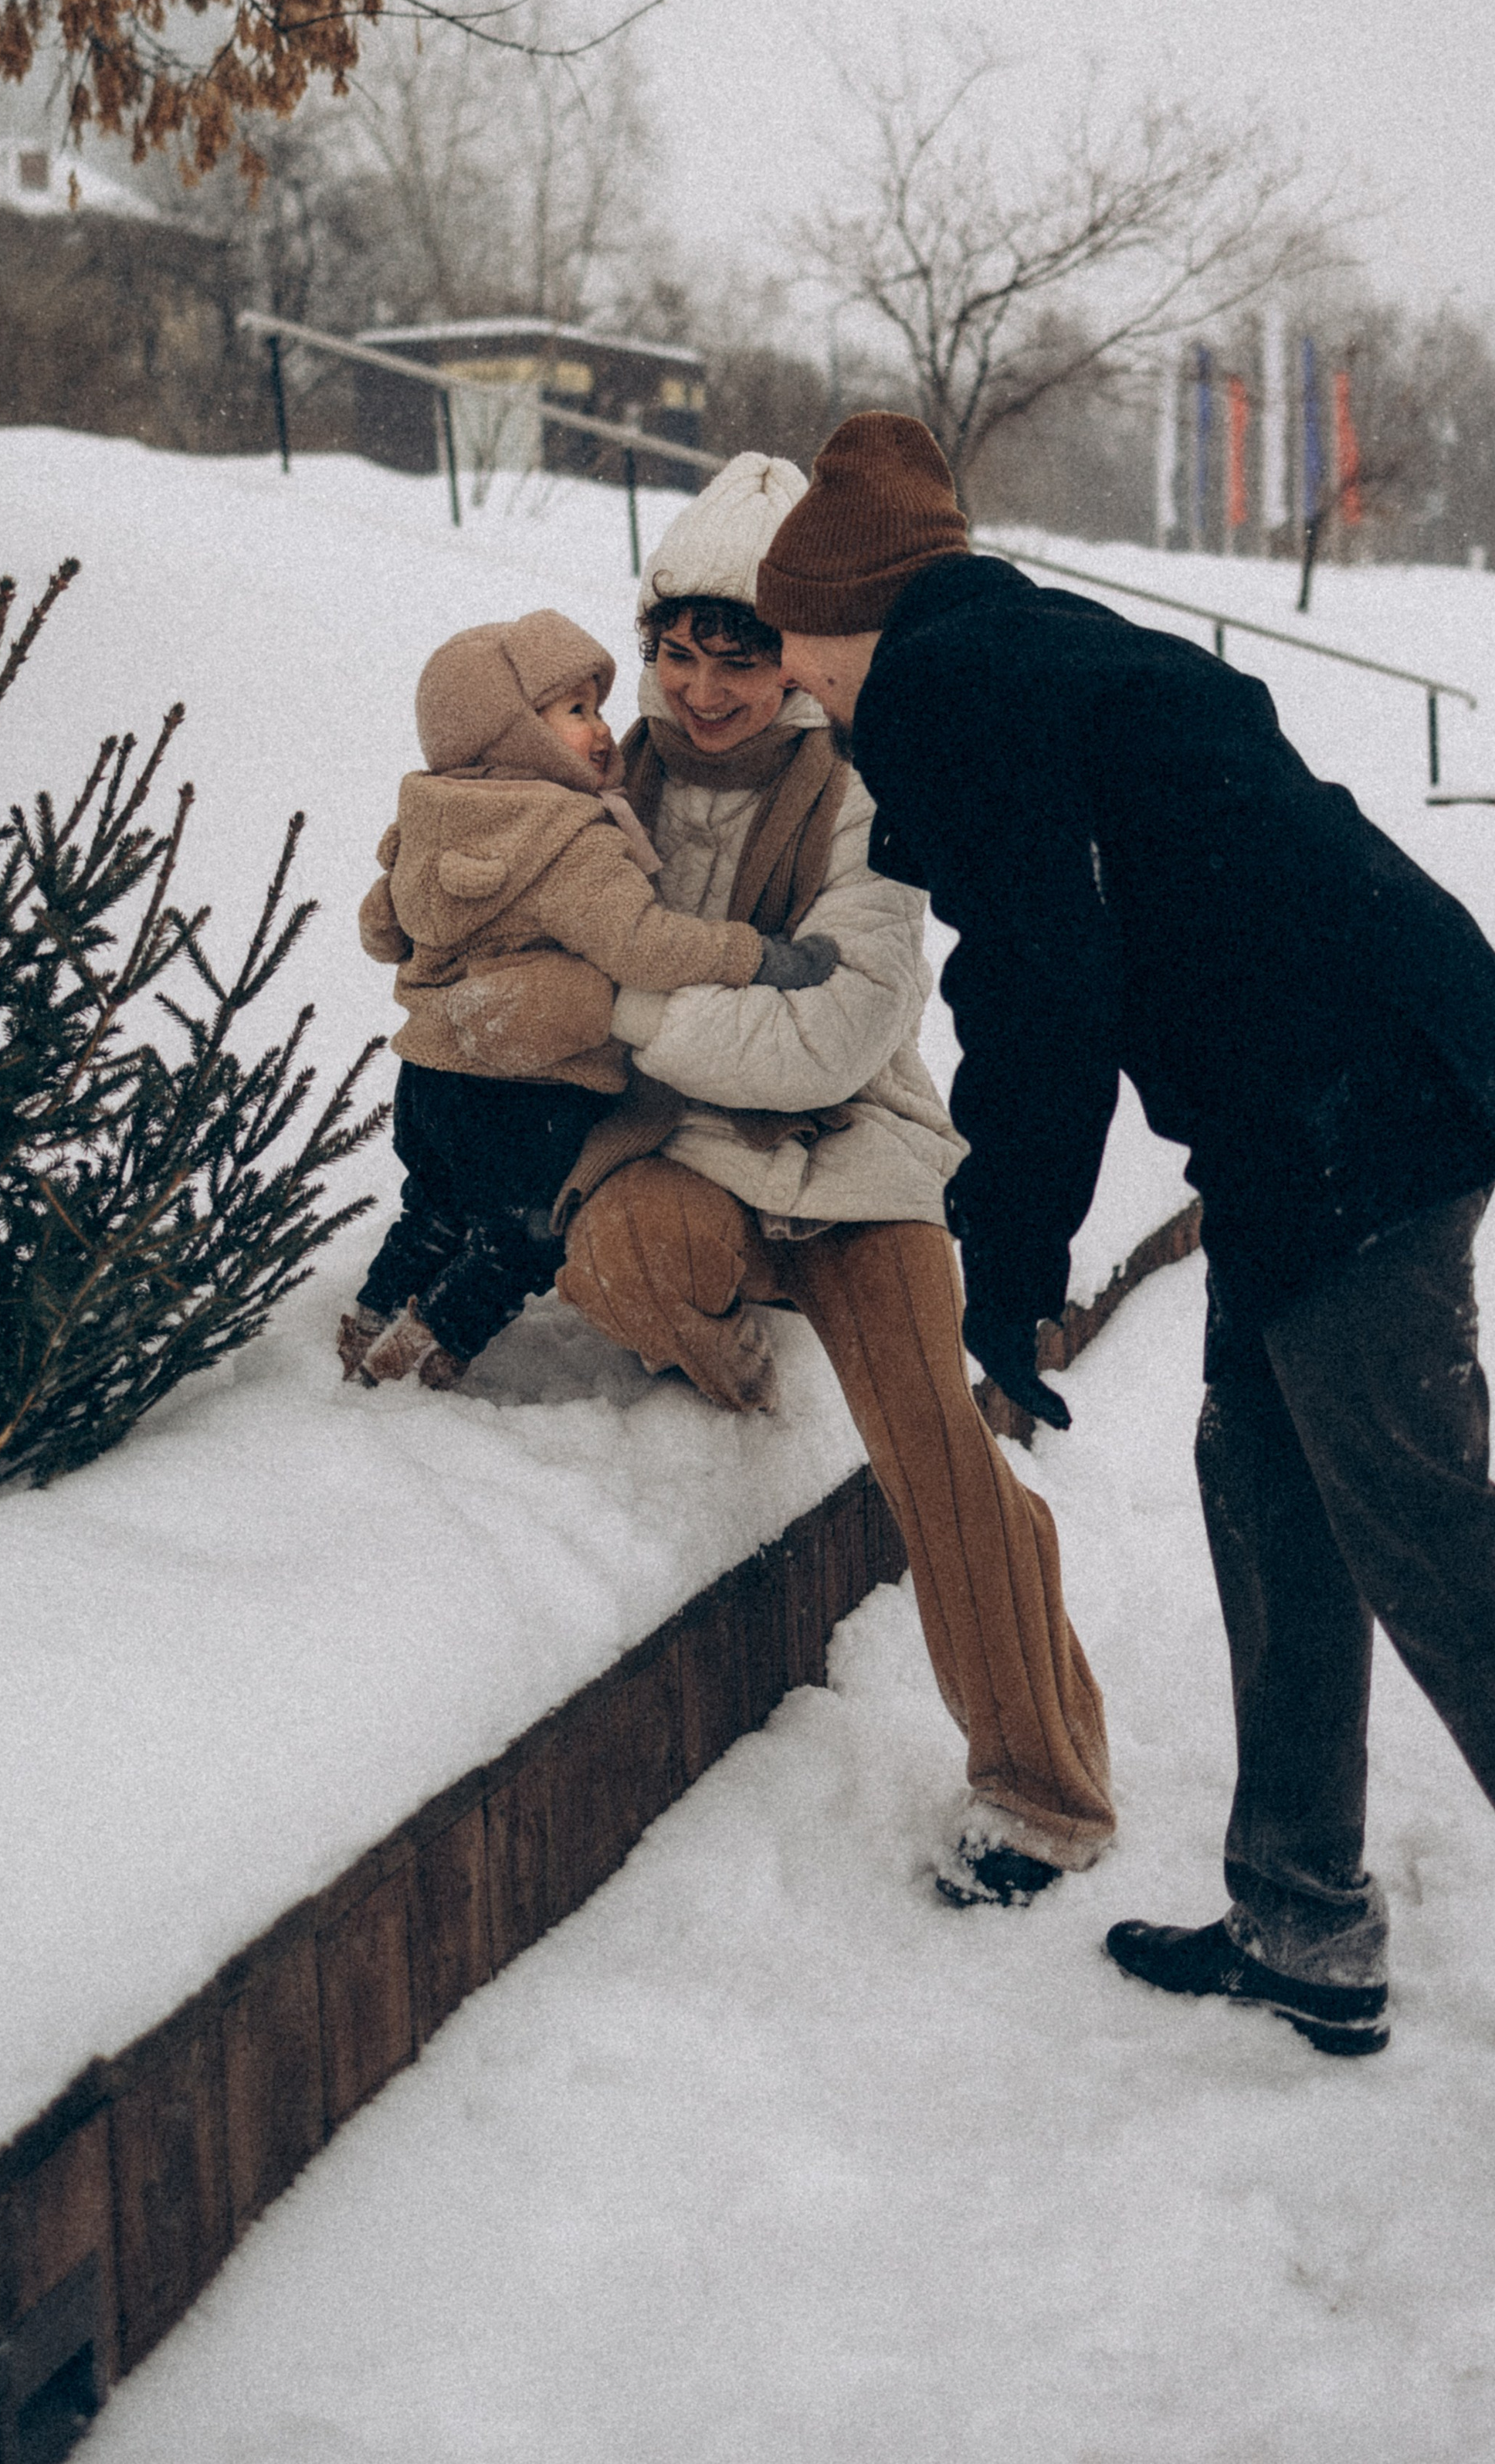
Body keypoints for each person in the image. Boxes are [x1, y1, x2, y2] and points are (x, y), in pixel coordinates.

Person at [753, 406, 1495, 2201]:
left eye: (792, 641)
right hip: (1324, 1089)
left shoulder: (950, 684)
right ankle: (1300, 1916)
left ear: (850, 609)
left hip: (1352, 1102)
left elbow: (1039, 984)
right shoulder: (1023, 645)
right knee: (1262, 1480)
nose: (792, 680)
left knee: (1426, 1531)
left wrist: (1011, 1269)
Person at [548, 452, 1119, 1906]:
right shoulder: (605, 788)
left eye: (736, 659)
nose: (702, 690)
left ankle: (1041, 1795)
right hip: (683, 1154)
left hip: (860, 1161)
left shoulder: (872, 786)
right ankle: (739, 1360)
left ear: (790, 665)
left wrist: (629, 1012)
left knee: (936, 1456)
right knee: (614, 1258)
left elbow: (836, 1035)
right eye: (677, 654)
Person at [342, 608, 835, 1392]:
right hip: (529, 1094)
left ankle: (365, 1326)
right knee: (524, 1237)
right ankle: (419, 1358)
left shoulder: (429, 811)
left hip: (428, 1080)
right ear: (512, 732)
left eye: (597, 707)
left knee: (433, 1210)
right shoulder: (570, 835)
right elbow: (642, 944)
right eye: (574, 712)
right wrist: (753, 953)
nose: (603, 730)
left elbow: (380, 928)